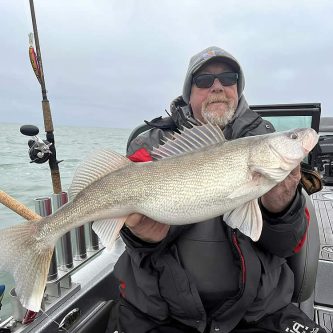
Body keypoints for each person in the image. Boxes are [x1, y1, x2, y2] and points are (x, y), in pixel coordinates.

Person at [105, 46, 325, 333]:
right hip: (161, 315)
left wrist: (280, 209)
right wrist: (142, 237)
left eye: (229, 78)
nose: (217, 87)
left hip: (257, 314)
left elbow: (286, 245)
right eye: (204, 80)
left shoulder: (262, 140)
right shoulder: (151, 147)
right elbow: (136, 246)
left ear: (238, 89)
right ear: (189, 92)